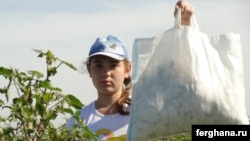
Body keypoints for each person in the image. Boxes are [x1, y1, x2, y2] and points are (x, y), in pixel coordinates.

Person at [66, 0, 194, 140]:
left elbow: (179, 76)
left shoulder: (141, 111)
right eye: (98, 65)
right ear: (89, 69)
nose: (106, 72)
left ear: (127, 69)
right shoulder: (78, 121)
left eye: (113, 65)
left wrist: (184, 25)